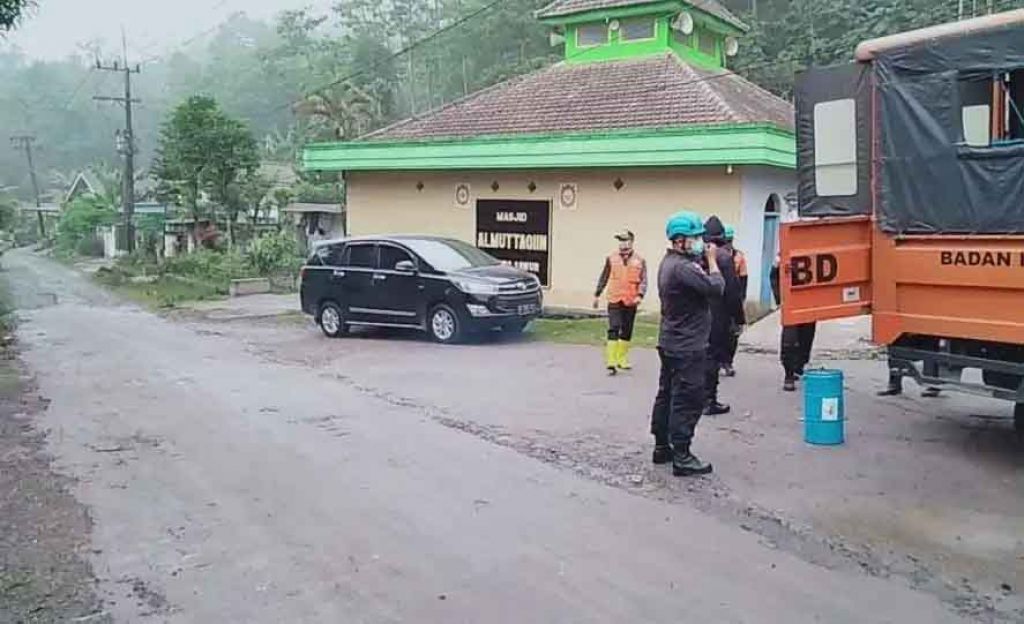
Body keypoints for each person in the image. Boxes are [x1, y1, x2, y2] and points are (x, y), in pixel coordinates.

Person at [650, 211, 724, 476]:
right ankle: (682, 454)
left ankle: (662, 446)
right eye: (694, 238)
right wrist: (713, 261)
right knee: (688, 399)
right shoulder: (683, 268)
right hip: (687, 345)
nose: (699, 242)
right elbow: (716, 288)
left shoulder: (669, 263)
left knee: (667, 394)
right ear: (679, 240)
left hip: (671, 340)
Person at [701, 216, 745, 414]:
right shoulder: (724, 258)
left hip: (698, 314)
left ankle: (697, 397)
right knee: (713, 357)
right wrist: (739, 319)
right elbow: (732, 292)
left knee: (699, 356)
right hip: (718, 314)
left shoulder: (696, 255)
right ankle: (709, 400)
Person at [594, 230, 647, 375]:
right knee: (614, 327)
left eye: (625, 240)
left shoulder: (640, 260)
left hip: (631, 299)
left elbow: (643, 280)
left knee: (627, 329)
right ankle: (611, 361)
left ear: (631, 242)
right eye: (620, 240)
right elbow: (604, 276)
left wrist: (640, 295)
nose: (622, 243)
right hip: (614, 298)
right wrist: (597, 294)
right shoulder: (611, 258)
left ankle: (621, 358)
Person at [770, 254, 817, 392]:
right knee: (789, 339)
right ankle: (789, 375)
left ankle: (799, 367)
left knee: (807, 336)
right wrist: (780, 299)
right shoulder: (783, 254)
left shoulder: (815, 251)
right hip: (791, 302)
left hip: (809, 301)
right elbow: (773, 277)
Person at [721, 224, 748, 377]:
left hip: (733, 298)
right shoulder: (716, 255)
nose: (728, 243)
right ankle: (718, 360)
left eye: (730, 240)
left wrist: (741, 299)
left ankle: (728, 362)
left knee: (733, 333)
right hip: (718, 298)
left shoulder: (739, 256)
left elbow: (744, 279)